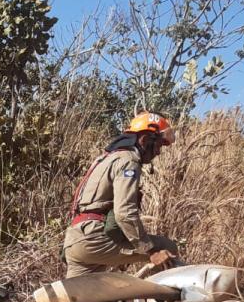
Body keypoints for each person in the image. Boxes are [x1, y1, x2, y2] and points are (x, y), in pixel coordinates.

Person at [63, 112, 180, 278]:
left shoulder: (107, 158)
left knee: (80, 300)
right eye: (159, 145)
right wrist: (151, 250)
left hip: (76, 241)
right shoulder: (128, 161)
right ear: (145, 140)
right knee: (166, 248)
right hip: (96, 240)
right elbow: (124, 212)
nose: (158, 152)